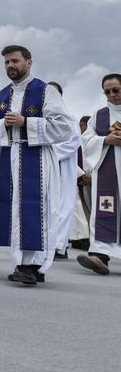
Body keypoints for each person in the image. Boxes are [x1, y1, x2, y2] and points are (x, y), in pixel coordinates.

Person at [0, 45, 73, 286]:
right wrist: (3, 125)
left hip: (38, 158)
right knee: (15, 210)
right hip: (10, 155)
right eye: (7, 62)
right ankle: (24, 263)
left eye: (15, 61)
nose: (10, 66)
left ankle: (32, 265)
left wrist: (26, 122)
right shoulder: (0, 95)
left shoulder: (46, 91)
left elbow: (65, 126)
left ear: (29, 63)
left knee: (39, 209)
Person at [76, 74, 121, 275]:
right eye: (107, 92)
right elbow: (85, 141)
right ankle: (100, 256)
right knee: (105, 211)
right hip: (107, 173)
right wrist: (105, 140)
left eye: (115, 90)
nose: (111, 95)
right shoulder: (100, 115)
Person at [47, 81, 81, 259]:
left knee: (62, 205)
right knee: (46, 205)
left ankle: (59, 245)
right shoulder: (40, 114)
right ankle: (45, 243)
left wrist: (50, 153)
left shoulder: (69, 116)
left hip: (62, 165)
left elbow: (73, 142)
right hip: (44, 165)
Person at [69, 115, 93, 251]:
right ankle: (80, 238)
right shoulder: (75, 138)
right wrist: (81, 175)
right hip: (76, 178)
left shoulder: (89, 141)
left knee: (86, 209)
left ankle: (84, 236)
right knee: (76, 208)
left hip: (89, 180)